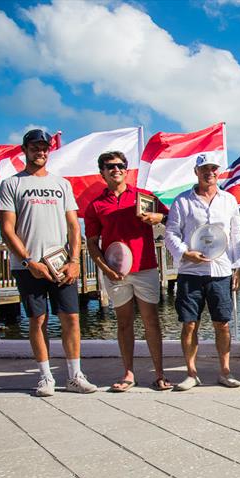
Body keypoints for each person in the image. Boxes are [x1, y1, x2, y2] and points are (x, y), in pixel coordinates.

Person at [0, 129, 97, 396]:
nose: (40, 152)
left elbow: (74, 226)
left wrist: (75, 260)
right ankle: (45, 377)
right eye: (35, 147)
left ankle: (75, 376)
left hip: (61, 264)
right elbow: (7, 229)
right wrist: (29, 261)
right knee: (38, 320)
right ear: (24, 150)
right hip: (28, 267)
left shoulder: (61, 184)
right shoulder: (11, 184)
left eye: (44, 147)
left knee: (72, 318)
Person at [84, 151, 172, 392]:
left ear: (126, 169)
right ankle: (128, 373)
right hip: (115, 273)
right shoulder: (96, 206)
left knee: (151, 321)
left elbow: (171, 217)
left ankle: (160, 374)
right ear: (101, 172)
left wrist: (159, 216)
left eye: (121, 165)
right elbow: (92, 243)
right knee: (123, 323)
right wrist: (105, 270)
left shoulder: (144, 197)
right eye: (110, 166)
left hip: (145, 268)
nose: (116, 169)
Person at [164, 153, 240, 391]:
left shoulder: (229, 200)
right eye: (204, 169)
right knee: (189, 324)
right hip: (191, 271)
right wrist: (184, 253)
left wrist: (238, 266)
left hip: (220, 271)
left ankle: (225, 371)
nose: (209, 173)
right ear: (196, 172)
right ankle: (191, 373)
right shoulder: (182, 201)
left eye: (213, 168)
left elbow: (236, 236)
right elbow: (170, 233)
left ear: (218, 171)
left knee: (223, 324)